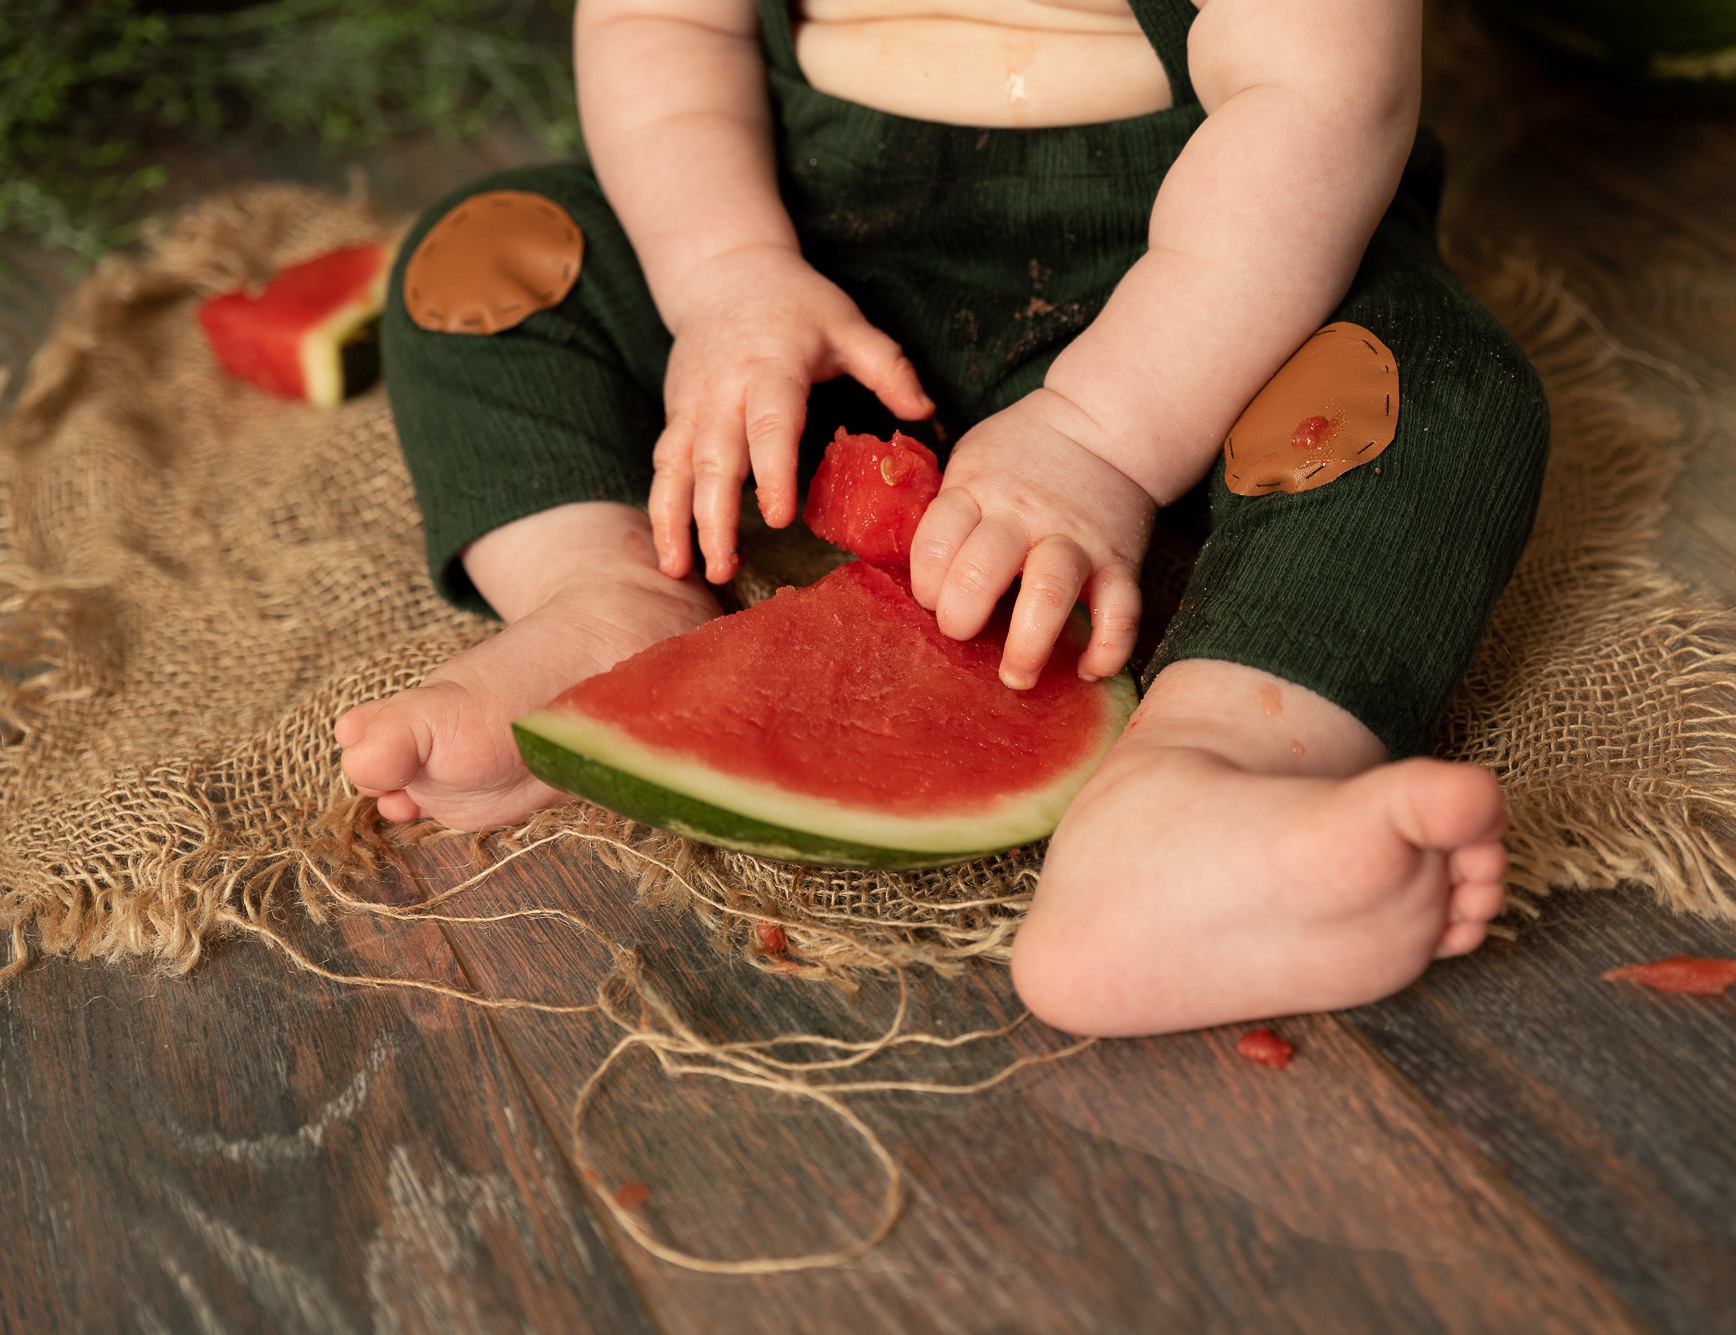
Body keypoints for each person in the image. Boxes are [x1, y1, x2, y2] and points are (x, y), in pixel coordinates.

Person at [334, 0, 1550, 1036]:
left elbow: (1317, 104)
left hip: (1202, 308)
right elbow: (666, 24)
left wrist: (1100, 434)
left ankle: (1202, 776)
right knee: (490, 257)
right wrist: (725, 278)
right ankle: (601, 592)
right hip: (807, 285)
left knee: (1433, 391)